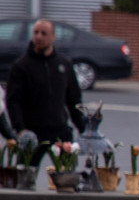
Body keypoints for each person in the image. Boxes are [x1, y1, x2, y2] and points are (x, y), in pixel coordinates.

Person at [6, 18, 85, 167]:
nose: (39, 37)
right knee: (25, 178)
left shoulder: (64, 64)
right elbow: (13, 101)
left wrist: (84, 129)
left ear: (53, 37)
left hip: (60, 131)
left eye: (44, 33)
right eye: (36, 33)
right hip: (32, 132)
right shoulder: (21, 66)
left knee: (67, 177)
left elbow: (74, 100)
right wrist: (20, 129)